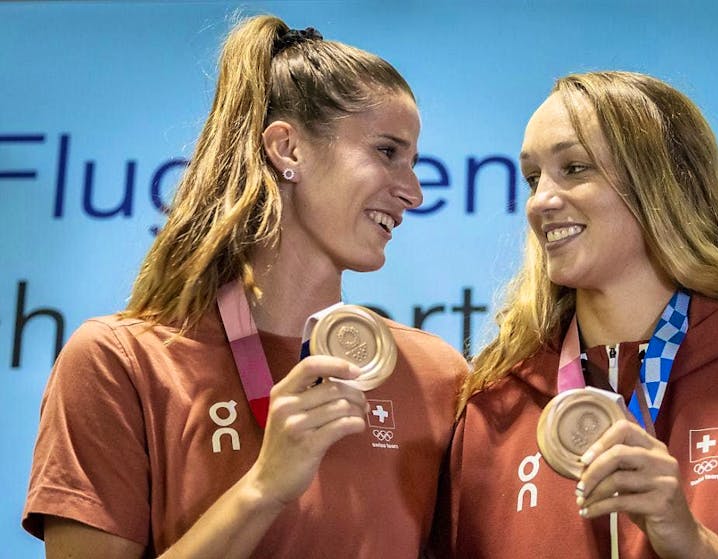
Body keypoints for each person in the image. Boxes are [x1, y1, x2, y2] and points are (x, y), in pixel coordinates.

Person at [22, 14, 467, 558]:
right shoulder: (121, 362)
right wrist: (263, 489)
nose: (414, 192)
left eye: (414, 162)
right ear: (289, 149)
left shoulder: (437, 377)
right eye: (387, 152)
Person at [431, 71, 718, 558]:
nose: (541, 201)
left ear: (662, 186)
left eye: (574, 168)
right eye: (534, 178)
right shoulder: (495, 405)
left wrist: (702, 549)